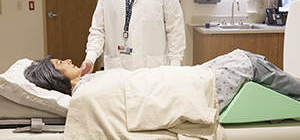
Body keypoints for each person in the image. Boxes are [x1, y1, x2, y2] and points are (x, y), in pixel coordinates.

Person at [24, 49, 300, 112]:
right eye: (61, 64)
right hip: (175, 84)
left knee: (245, 59)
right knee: (248, 62)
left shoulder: (88, 84)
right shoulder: (87, 92)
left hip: (173, 76)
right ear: (55, 77)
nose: (68, 61)